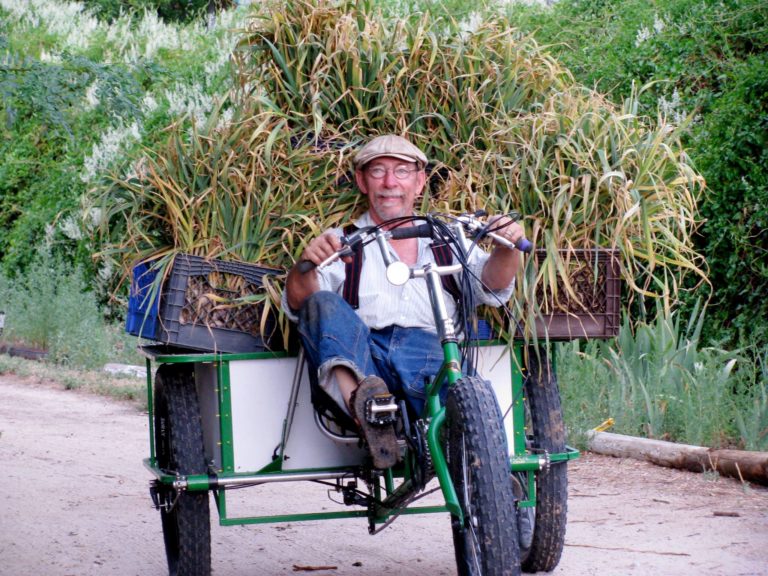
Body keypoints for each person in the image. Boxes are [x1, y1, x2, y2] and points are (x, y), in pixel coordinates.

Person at [282, 134, 525, 468]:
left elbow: (492, 285)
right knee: (322, 304)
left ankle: (486, 486)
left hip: (427, 353)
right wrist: (305, 264)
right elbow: (302, 304)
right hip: (364, 357)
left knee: (470, 410)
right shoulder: (340, 239)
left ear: (420, 181)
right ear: (362, 182)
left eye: (402, 172)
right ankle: (366, 412)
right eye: (378, 171)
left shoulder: (447, 236)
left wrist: (507, 246)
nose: (390, 182)